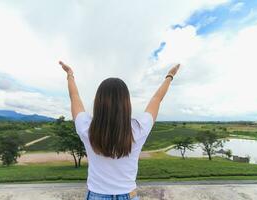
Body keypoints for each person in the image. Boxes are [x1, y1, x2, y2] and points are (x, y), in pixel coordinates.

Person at [60, 61, 180, 200]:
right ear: (126, 103)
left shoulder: (86, 127)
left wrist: (70, 75)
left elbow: (74, 97)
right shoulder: (138, 128)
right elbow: (157, 99)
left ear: (98, 102)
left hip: (96, 196)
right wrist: (170, 76)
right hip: (129, 195)